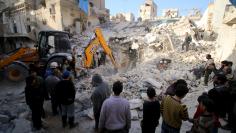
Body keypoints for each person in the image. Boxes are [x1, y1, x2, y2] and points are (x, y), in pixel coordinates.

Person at [25, 66, 47, 130]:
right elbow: (35, 96)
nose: (34, 80)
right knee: (36, 115)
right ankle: (38, 126)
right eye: (33, 80)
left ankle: (37, 124)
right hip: (35, 104)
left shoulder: (29, 87)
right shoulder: (32, 89)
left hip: (34, 104)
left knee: (36, 114)